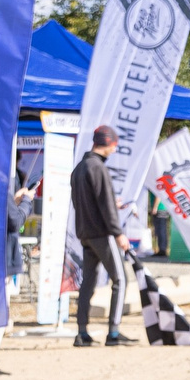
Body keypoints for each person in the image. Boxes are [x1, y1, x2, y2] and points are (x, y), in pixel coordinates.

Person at [69, 125, 133, 346]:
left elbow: (86, 202)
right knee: (120, 279)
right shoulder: (98, 168)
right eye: (114, 145)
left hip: (84, 233)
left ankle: (82, 332)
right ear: (107, 143)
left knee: (87, 282)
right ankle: (113, 333)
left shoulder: (79, 168)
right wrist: (118, 233)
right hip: (102, 234)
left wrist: (111, 207)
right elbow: (104, 203)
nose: (115, 150)